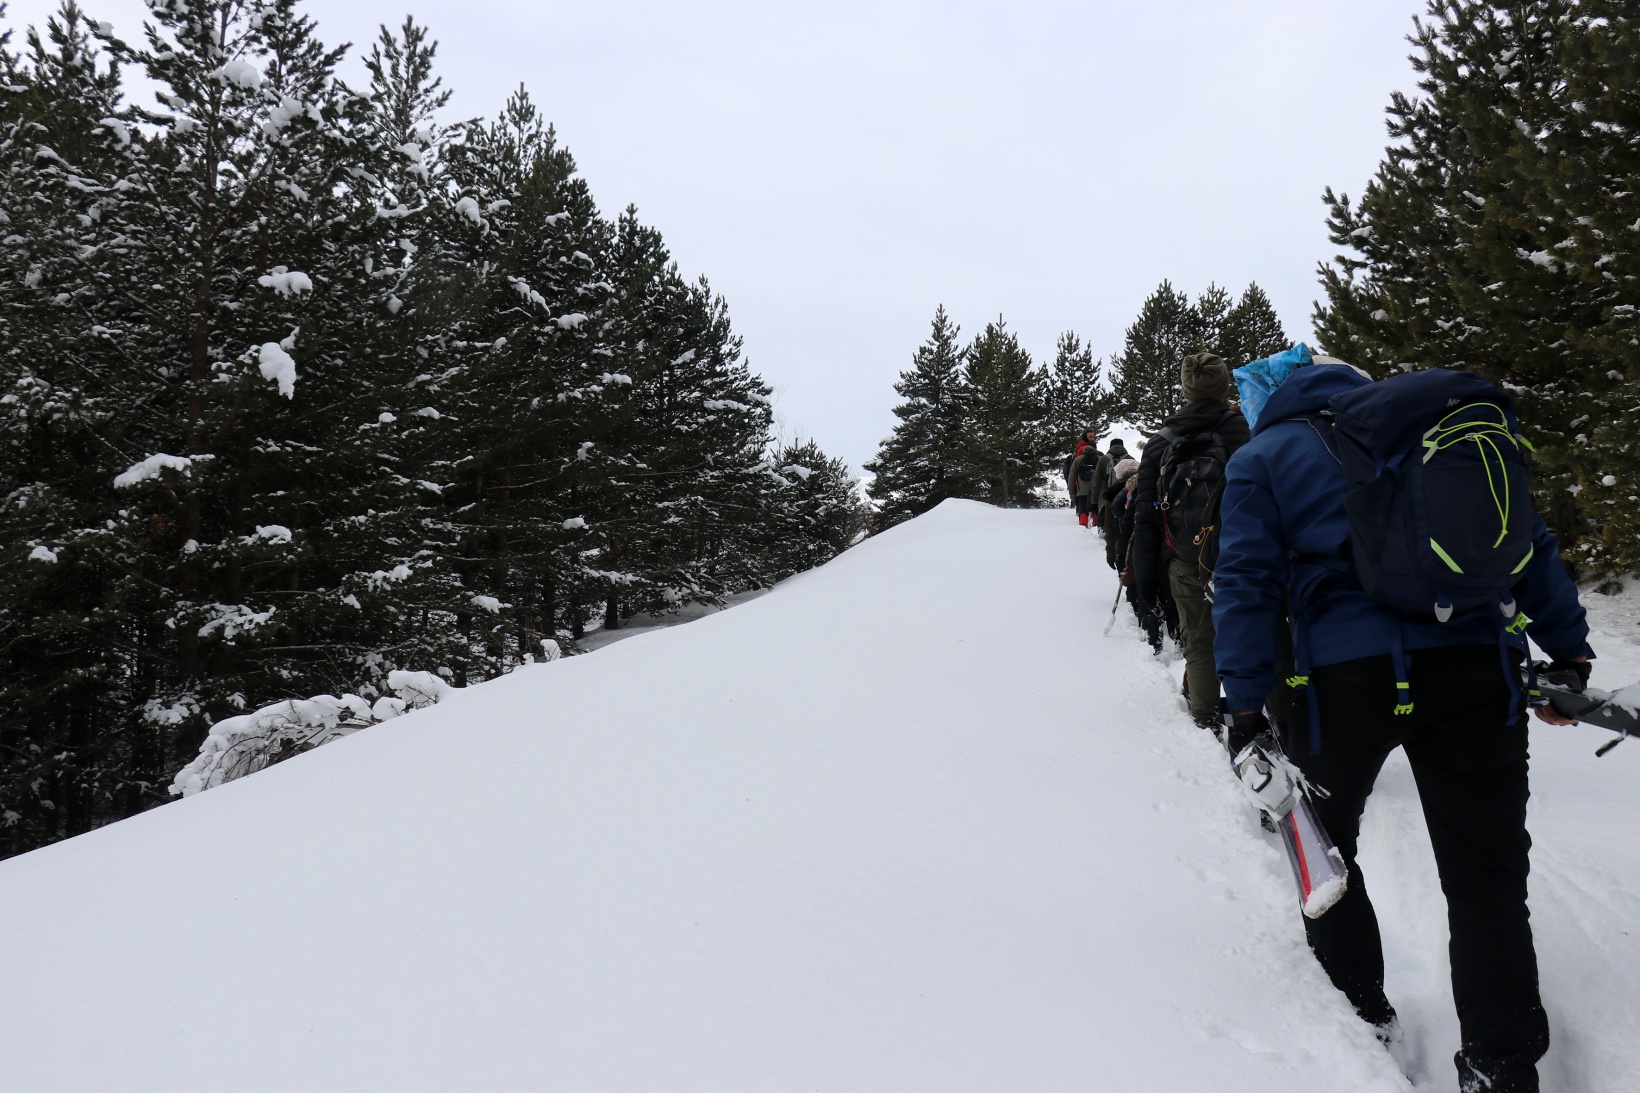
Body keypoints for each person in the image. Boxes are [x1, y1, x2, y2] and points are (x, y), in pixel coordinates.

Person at [1211, 357, 1593, 1093]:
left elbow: (1246, 582)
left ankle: (1361, 1016)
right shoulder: (1432, 432)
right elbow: (1528, 541)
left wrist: (1246, 705)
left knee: (1326, 850)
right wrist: (1569, 650)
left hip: (1342, 684)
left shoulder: (1263, 456)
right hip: (1476, 668)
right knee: (1486, 878)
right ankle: (1501, 1059)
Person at [1131, 354, 1249, 725]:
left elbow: (1145, 517)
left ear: (1186, 388)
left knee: (1199, 642)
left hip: (1185, 557)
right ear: (1223, 387)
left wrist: (1144, 576)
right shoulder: (1242, 430)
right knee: (1250, 636)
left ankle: (1205, 717)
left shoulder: (1159, 443)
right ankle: (1253, 716)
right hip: (1241, 554)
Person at [1067, 429, 1109, 529]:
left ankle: (1083, 527)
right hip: (1096, 490)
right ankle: (1096, 526)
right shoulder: (1100, 459)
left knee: (1082, 510)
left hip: (1082, 491)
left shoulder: (1078, 459)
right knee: (1095, 508)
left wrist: (1072, 491)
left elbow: (1071, 476)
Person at [1097, 437, 1129, 564]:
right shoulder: (1130, 458)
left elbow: (1097, 482)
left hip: (1108, 496)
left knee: (1111, 526)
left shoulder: (1103, 459)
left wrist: (1094, 502)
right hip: (1127, 497)